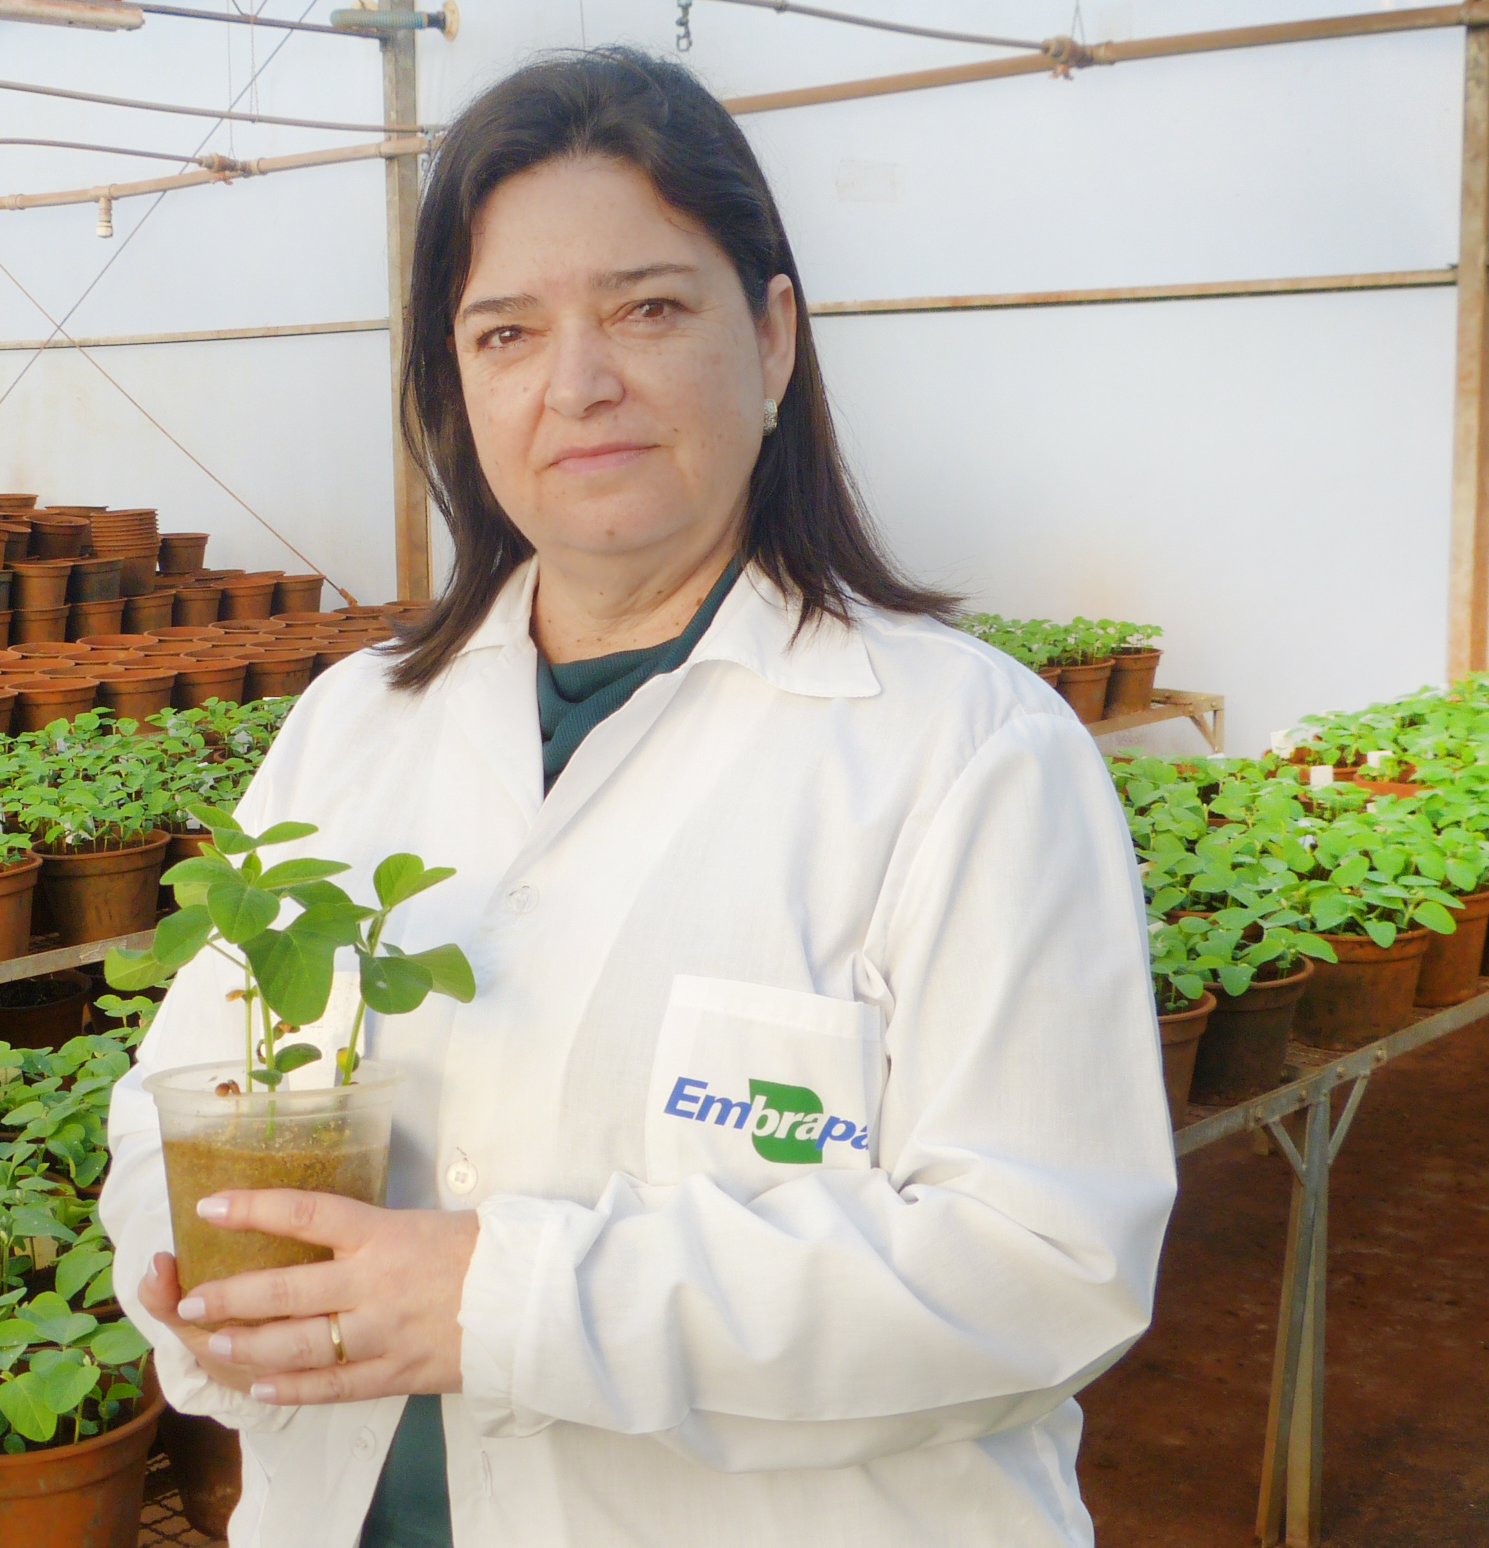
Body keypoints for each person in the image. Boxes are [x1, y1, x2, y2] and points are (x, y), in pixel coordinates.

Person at [102, 47, 1175, 1548]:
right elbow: (172, 1110)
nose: (579, 383)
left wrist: (506, 1302)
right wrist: (192, 1265)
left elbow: (1042, 1267)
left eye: (650, 307)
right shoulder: (353, 729)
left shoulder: (966, 750)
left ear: (775, 335)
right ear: (453, 383)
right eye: (506, 333)